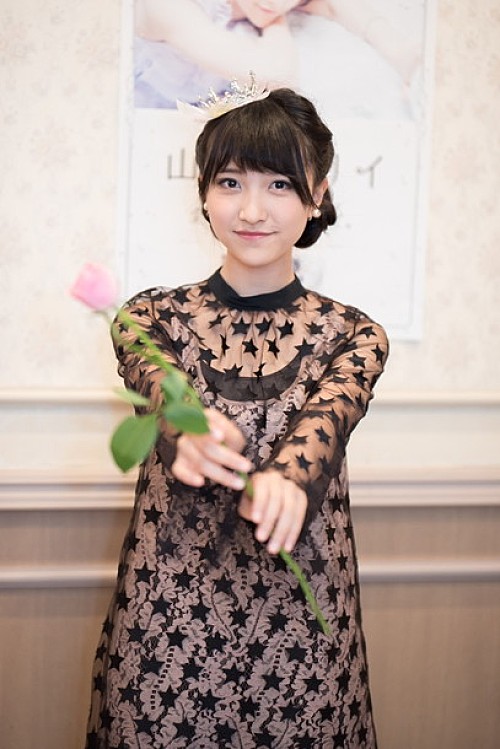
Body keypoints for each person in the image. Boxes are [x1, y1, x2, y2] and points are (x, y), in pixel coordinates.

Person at [85, 85, 389, 747]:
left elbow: (324, 425)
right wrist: (185, 430)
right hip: (165, 619)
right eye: (230, 182)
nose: (252, 209)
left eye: (279, 184)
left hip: (304, 629)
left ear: (317, 195)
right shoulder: (147, 319)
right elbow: (165, 390)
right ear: (203, 194)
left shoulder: (355, 335)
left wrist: (288, 479)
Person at [134, 0, 420, 117]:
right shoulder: (167, 7)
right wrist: (275, 22)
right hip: (145, 123)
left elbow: (340, 7)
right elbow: (280, 75)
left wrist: (401, 55)